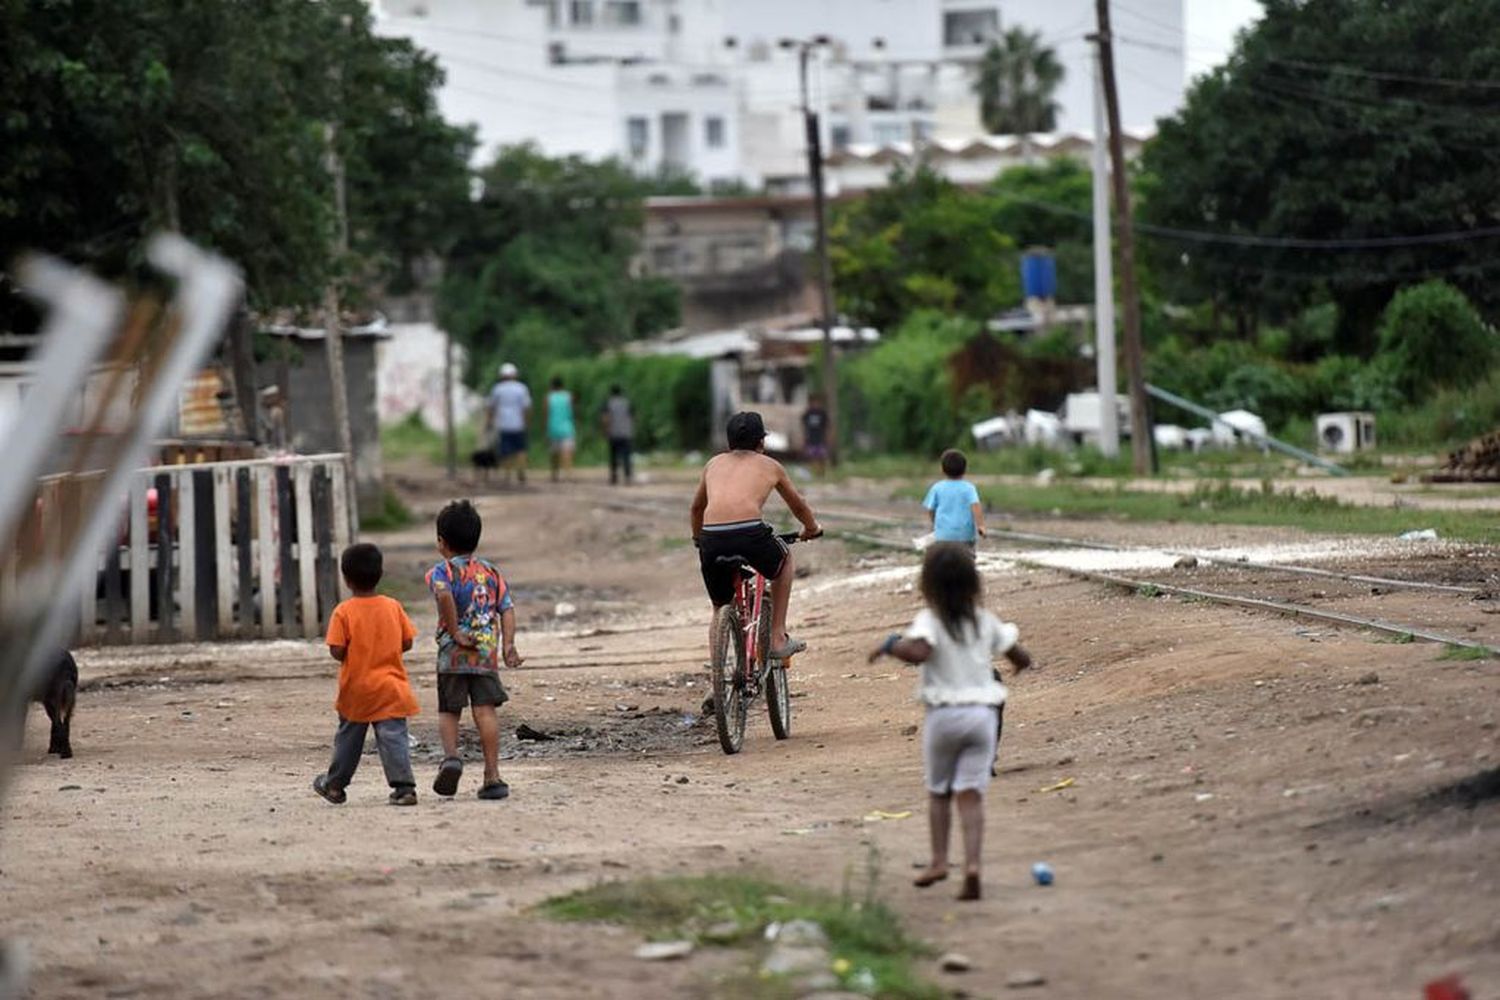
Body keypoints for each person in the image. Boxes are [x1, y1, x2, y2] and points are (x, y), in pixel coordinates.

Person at [868, 542, 1032, 902]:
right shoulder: (984, 620)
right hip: (983, 718)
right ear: (974, 583)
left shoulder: (930, 621)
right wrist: (1018, 665)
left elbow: (918, 653)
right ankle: (973, 865)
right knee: (971, 796)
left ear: (927, 586)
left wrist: (890, 645)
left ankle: (940, 860)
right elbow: (1019, 654)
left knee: (940, 793)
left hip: (944, 718)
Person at [690, 411, 821, 660]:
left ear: (728, 444)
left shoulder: (713, 464)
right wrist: (811, 528)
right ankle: (777, 638)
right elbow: (798, 505)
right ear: (762, 442)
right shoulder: (771, 465)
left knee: (720, 607)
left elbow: (696, 508)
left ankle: (719, 677)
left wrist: (699, 540)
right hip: (749, 532)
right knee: (784, 562)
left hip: (712, 537)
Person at [425, 500, 522, 801]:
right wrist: (508, 644)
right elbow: (507, 609)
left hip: (452, 654)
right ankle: (492, 775)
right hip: (484, 655)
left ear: (442, 542)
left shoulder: (440, 573)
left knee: (449, 710)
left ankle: (452, 757)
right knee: (485, 711)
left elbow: (443, 598)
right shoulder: (491, 572)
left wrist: (454, 631)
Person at [312, 543, 421, 807]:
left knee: (349, 739)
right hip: (390, 687)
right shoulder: (392, 606)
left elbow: (337, 650)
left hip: (357, 689)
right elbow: (407, 642)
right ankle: (404, 788)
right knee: (393, 737)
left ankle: (335, 785)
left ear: (347, 580)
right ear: (380, 574)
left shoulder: (344, 611)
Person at [923, 449, 986, 548]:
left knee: (942, 559)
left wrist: (935, 523)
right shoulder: (969, 488)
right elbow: (975, 506)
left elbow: (931, 509)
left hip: (942, 536)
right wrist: (980, 526)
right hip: (965, 536)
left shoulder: (937, 487)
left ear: (942, 470)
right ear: (965, 469)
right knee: (967, 557)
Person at [486, 362, 531, 487]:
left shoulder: (497, 389)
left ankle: (507, 475)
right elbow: (526, 407)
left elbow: (491, 407)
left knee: (505, 451)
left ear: (502, 375)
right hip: (518, 424)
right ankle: (521, 471)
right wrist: (526, 422)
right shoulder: (522, 388)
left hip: (504, 424)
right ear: (514, 375)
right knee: (520, 449)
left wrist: (489, 422)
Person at [544, 376, 576, 483]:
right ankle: (568, 475)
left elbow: (546, 414)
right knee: (567, 453)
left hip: (553, 427)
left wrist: (546, 428)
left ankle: (554, 474)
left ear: (552, 386)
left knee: (554, 454)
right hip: (567, 427)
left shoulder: (549, 397)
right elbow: (572, 411)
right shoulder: (568, 396)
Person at [601, 384, 635, 486]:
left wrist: (605, 430)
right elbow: (632, 417)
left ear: (611, 393)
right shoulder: (627, 403)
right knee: (626, 456)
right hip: (626, 433)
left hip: (614, 433)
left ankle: (614, 477)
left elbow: (606, 418)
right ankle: (628, 477)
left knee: (613, 456)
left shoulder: (608, 403)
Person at [801, 395, 830, 477]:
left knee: (822, 457)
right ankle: (814, 472)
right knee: (811, 457)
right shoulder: (808, 413)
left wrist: (828, 438)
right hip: (811, 438)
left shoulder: (822, 413)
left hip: (820, 438)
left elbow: (827, 426)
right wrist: (804, 437)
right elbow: (804, 427)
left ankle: (822, 472)